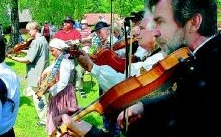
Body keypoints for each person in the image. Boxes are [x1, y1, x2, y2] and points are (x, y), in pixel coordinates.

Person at [56, 0, 220, 137]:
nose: (154, 32)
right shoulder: (200, 60)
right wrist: (145, 106)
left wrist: (91, 134)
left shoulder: (208, 74)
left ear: (194, 22)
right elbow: (179, 99)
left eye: (160, 22)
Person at [7, 21, 49, 127]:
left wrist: (12, 57)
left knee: (39, 98)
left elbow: (28, 60)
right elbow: (34, 52)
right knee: (44, 96)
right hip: (43, 73)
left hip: (36, 75)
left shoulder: (35, 42)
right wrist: (22, 51)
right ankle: (48, 116)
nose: (28, 33)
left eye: (29, 30)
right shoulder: (43, 39)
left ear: (35, 29)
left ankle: (44, 120)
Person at [42, 38, 78, 136]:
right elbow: (53, 67)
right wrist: (45, 71)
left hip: (64, 94)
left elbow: (63, 82)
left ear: (59, 49)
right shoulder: (60, 58)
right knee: (55, 115)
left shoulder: (66, 60)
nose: (51, 53)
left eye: (52, 50)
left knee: (63, 115)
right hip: (58, 91)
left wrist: (49, 91)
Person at [53, 16, 85, 99]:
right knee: (60, 74)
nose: (65, 24)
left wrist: (71, 45)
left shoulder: (76, 33)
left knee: (79, 73)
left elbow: (78, 43)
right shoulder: (59, 33)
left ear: (72, 24)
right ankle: (61, 89)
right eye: (65, 22)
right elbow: (53, 44)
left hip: (74, 57)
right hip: (61, 57)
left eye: (68, 22)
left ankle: (79, 88)